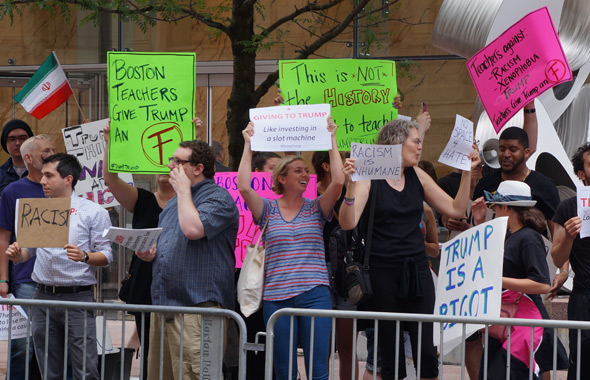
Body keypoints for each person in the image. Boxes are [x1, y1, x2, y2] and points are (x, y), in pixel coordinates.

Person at [339, 118, 480, 380]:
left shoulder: (417, 175)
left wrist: (466, 172)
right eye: (416, 141)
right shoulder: (370, 177)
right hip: (382, 275)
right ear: (395, 143)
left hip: (417, 272)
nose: (420, 147)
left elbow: (455, 209)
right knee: (391, 356)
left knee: (427, 352)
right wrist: (349, 185)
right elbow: (348, 222)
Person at [237, 117, 343, 380]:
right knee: (284, 372)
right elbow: (242, 186)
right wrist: (248, 144)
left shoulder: (316, 208)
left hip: (315, 295)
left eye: (306, 170)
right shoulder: (267, 210)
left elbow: (339, 183)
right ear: (281, 178)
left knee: (318, 371)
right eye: (298, 171)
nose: (305, 175)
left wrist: (332, 139)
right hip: (277, 297)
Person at [137, 139, 239, 380]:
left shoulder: (218, 198)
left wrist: (183, 191)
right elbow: (172, 242)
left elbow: (194, 230)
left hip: (198, 307)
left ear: (198, 168)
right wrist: (150, 253)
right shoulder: (174, 203)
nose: (170, 165)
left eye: (177, 161)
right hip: (165, 305)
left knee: (194, 374)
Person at [5, 153, 113, 380]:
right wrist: (17, 255)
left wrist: (85, 256)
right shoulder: (36, 209)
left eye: (48, 175)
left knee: (85, 366)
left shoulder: (94, 212)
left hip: (77, 297)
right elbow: (29, 251)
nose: (42, 180)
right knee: (48, 367)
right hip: (42, 295)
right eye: (42, 175)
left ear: (68, 179)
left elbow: (106, 255)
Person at [102, 118, 191, 379]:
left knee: (183, 352)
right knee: (152, 352)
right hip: (146, 285)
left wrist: (193, 133)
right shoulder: (142, 199)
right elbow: (110, 178)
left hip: (181, 286)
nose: (168, 167)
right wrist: (110, 144)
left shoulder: (191, 199)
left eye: (174, 162)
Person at [473, 181, 565, 380]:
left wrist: (498, 281)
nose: (494, 212)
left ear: (505, 208)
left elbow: (542, 284)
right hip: (509, 323)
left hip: (523, 324)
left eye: (495, 207)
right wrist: (479, 223)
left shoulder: (528, 238)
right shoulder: (511, 235)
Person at [0, 135, 54, 380]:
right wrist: (3, 279)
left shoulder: (65, 187)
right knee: (23, 345)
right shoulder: (13, 191)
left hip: (61, 279)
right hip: (26, 279)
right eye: (46, 150)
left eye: (54, 149)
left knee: (56, 343)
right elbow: (4, 238)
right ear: (29, 158)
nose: (52, 153)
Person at [551, 142, 590, 380]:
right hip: (584, 294)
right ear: (581, 173)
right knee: (582, 361)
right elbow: (557, 256)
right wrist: (568, 235)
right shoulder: (568, 207)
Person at [0, 119, 34, 197]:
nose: (18, 143)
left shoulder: (42, 172)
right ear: (5, 143)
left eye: (22, 138)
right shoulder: (1, 174)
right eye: (12, 139)